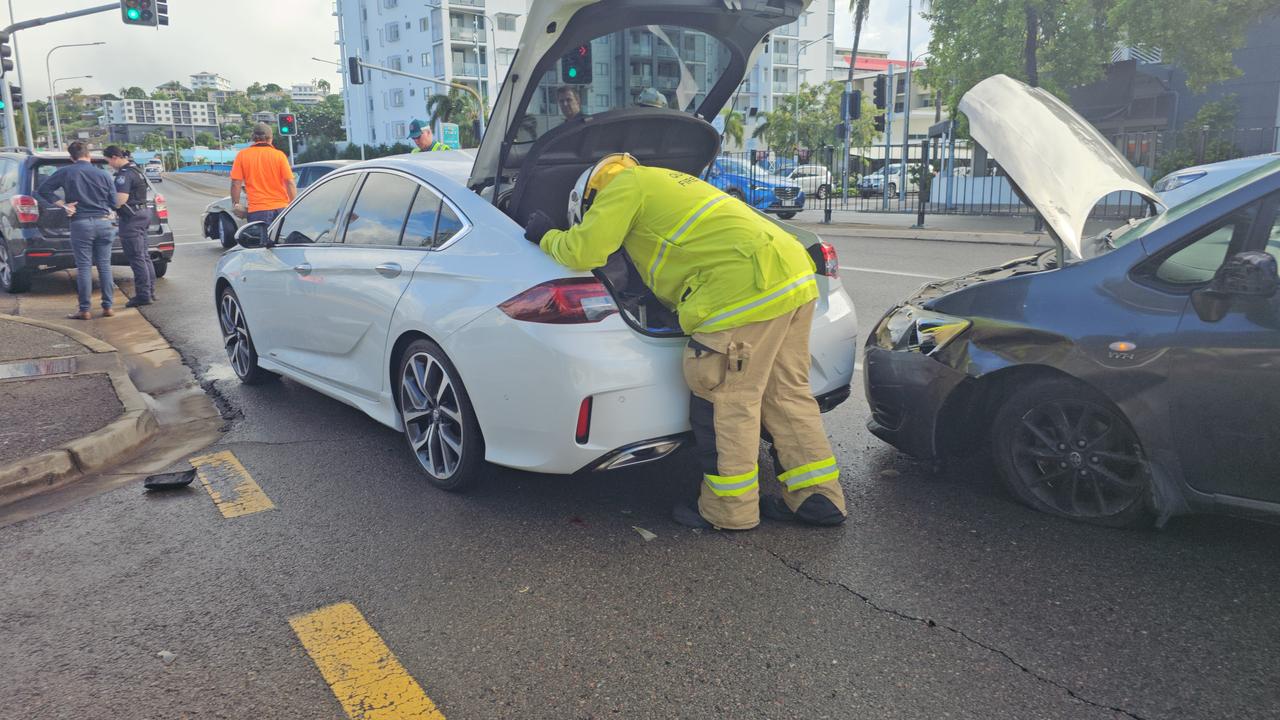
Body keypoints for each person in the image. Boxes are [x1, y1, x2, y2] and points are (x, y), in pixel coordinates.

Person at [524, 154, 848, 531]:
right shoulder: (671, 179)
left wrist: (546, 235)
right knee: (787, 395)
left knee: (728, 400)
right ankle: (819, 499)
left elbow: (585, 251)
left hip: (743, 292)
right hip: (793, 277)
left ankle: (730, 510)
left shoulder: (624, 187)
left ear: (589, 198)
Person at [36, 142, 117, 320]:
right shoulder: (103, 174)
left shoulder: (66, 172)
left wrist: (64, 205)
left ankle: (85, 310)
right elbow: (113, 202)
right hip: (104, 223)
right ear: (88, 155)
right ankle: (108, 307)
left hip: (80, 224)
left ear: (71, 157)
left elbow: (43, 190)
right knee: (104, 265)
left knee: (84, 267)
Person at [104, 146, 155, 308]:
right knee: (144, 256)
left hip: (131, 218)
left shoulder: (124, 175)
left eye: (108, 162)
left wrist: (109, 206)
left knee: (136, 257)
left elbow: (121, 199)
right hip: (143, 214)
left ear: (114, 157)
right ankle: (150, 291)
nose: (109, 165)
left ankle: (143, 295)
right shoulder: (136, 170)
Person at [230, 123, 296, 225]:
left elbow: (236, 183)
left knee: (262, 240)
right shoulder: (279, 155)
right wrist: (294, 205)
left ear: (253, 137)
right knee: (282, 240)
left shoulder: (242, 155)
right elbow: (290, 182)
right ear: (271, 138)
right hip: (281, 209)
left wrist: (236, 204)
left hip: (257, 211)